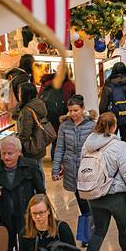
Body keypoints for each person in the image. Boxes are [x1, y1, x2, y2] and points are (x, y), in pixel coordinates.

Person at [80, 111, 126, 251]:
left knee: (99, 231)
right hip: (116, 196)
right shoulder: (119, 146)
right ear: (114, 126)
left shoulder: (87, 145)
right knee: (124, 227)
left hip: (94, 195)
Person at [52, 94, 96, 243]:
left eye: (76, 110)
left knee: (89, 202)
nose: (73, 113)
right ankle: (87, 235)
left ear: (82, 109)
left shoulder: (91, 125)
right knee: (82, 203)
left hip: (88, 168)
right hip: (72, 170)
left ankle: (90, 232)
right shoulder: (64, 127)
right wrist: (55, 168)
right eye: (70, 110)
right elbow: (59, 149)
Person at [100, 61, 126, 147]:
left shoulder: (108, 85)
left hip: (112, 117)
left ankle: (113, 158)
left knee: (110, 139)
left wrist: (103, 117)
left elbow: (103, 104)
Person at [15, 81, 54, 161]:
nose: (18, 94)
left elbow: (26, 132)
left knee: (33, 169)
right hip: (39, 143)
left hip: (30, 146)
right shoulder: (39, 104)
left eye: (19, 92)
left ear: (25, 94)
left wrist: (17, 142)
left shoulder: (27, 109)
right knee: (39, 167)